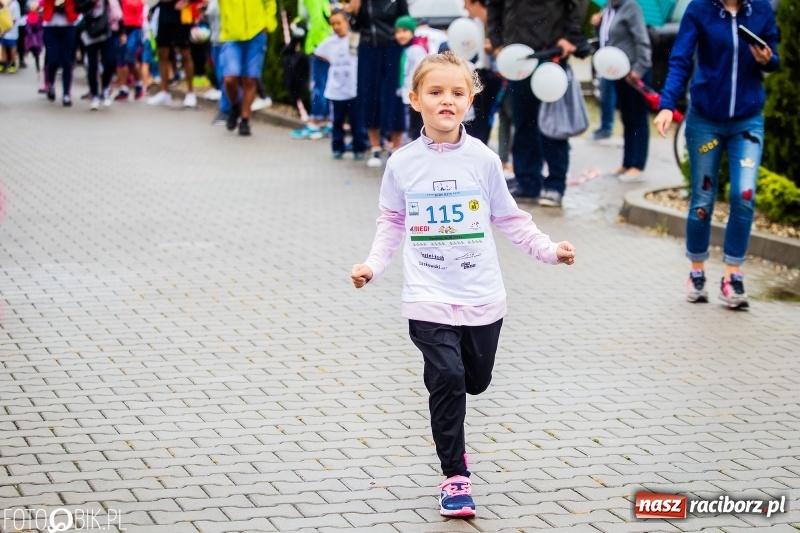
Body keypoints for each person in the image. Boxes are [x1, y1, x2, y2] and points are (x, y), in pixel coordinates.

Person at [350, 51, 576, 518]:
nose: (446, 101)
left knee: (475, 379)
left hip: (481, 298)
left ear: (470, 100)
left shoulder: (483, 160)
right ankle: (455, 476)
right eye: (435, 93)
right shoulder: (403, 164)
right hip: (427, 296)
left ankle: (456, 427)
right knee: (447, 378)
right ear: (416, 100)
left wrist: (548, 250)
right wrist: (374, 265)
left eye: (457, 93)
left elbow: (508, 218)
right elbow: (392, 220)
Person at [654, 0, 779, 309]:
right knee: (703, 198)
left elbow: (774, 57)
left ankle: (732, 276)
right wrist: (667, 104)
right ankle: (697, 272)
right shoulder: (700, 9)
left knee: (744, 194)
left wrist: (767, 59)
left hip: (747, 120)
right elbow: (680, 59)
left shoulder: (760, 9)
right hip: (705, 120)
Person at [487, 0, 588, 207]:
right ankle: (528, 182)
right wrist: (497, 41)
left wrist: (571, 36)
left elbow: (577, 4)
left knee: (552, 124)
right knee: (523, 121)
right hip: (517, 56)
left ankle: (555, 185)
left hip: (550, 53)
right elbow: (493, 5)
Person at [346, 0, 408, 167]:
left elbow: (406, 21)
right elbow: (355, 27)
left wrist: (403, 38)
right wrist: (355, 11)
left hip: (392, 48)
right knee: (368, 94)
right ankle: (374, 147)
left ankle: (396, 147)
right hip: (368, 49)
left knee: (394, 94)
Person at [597, 0, 652, 182]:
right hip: (619, 73)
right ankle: (627, 162)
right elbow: (608, 38)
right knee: (627, 118)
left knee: (638, 118)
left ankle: (638, 165)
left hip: (634, 73)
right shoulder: (609, 8)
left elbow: (642, 40)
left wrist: (639, 69)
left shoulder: (631, 6)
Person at [313, 8, 368, 159]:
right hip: (336, 89)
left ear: (346, 22)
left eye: (339, 23)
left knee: (356, 121)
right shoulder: (329, 42)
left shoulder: (354, 38)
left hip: (353, 88)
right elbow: (318, 53)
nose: (336, 26)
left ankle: (359, 147)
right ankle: (338, 147)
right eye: (333, 24)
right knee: (337, 121)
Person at [217, 0, 276, 136]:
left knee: (250, 78)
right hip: (231, 35)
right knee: (230, 78)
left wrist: (268, 24)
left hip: (256, 33)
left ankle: (245, 119)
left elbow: (270, 3)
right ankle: (235, 105)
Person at [289, 0, 332, 140]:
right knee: (325, 85)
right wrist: (298, 22)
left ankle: (315, 123)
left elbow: (318, 21)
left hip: (319, 47)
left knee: (318, 86)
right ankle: (326, 122)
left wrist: (314, 46)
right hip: (324, 45)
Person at [461, 0, 501, 145]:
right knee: (478, 116)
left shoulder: (497, 19)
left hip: (497, 74)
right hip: (480, 72)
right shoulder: (474, 23)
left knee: (488, 115)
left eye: (465, 2)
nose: (464, 7)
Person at [146, 0, 199, 108]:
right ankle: (164, 92)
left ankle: (190, 92)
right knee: (162, 52)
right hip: (165, 12)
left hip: (181, 13)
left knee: (185, 53)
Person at [81, 0, 122, 110]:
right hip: (90, 33)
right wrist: (91, 2)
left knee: (110, 62)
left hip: (106, 32)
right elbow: (79, 8)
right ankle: (94, 95)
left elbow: (118, 14)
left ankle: (105, 89)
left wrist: (122, 32)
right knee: (92, 65)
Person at [393, 15, 427, 142]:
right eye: (398, 32)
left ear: (412, 32)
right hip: (407, 92)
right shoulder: (406, 49)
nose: (400, 35)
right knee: (412, 124)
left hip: (415, 93)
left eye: (404, 31)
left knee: (416, 124)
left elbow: (420, 72)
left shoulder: (417, 49)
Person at [42, 0, 79, 106]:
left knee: (67, 60)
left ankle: (66, 93)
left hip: (69, 24)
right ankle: (51, 84)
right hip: (50, 25)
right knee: (53, 59)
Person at [590, 7, 616, 141]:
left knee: (609, 94)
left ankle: (607, 127)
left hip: (616, 60)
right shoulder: (606, 9)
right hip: (604, 58)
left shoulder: (626, 7)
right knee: (605, 94)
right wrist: (597, 24)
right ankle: (605, 127)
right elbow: (603, 34)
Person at [113, 0, 145, 100]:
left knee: (129, 58)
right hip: (119, 26)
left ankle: (139, 84)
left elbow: (137, 5)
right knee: (120, 59)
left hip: (134, 27)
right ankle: (123, 89)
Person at [0, 0, 22, 73]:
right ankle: (3, 63)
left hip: (11, 31)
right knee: (3, 46)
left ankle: (13, 64)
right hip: (3, 31)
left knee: (12, 47)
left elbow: (15, 19)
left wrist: (5, 29)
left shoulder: (15, 4)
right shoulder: (3, 2)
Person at [24, 0, 43, 76]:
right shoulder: (30, 16)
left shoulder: (38, 16)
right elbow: (28, 28)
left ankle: (38, 70)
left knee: (36, 55)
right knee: (36, 54)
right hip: (33, 38)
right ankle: (38, 70)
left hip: (36, 37)